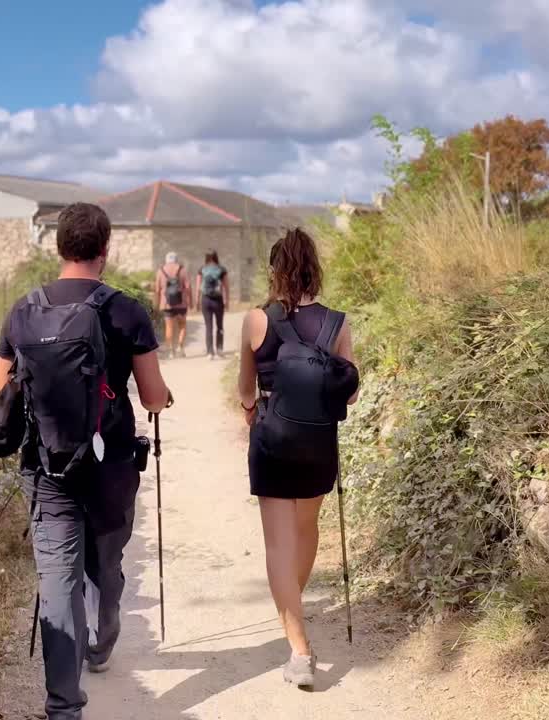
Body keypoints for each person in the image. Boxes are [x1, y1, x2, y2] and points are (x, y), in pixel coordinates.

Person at [0, 203, 170, 720]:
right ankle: (103, 636)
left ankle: (63, 707)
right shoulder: (126, 310)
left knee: (57, 579)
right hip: (111, 466)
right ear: (105, 249)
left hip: (46, 467)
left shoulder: (23, 312)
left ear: (59, 247)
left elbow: (2, 392)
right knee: (106, 565)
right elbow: (154, 396)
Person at [236, 228, 360, 689]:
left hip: (272, 437)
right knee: (307, 528)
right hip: (318, 442)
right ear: (314, 268)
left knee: (276, 547)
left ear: (275, 271)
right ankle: (292, 607)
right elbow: (350, 391)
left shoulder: (255, 320)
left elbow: (246, 388)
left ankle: (300, 650)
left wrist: (251, 410)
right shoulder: (337, 323)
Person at [194, 251, 230, 360]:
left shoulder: (202, 269)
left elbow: (198, 287)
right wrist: (227, 300)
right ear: (216, 257)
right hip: (218, 300)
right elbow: (226, 286)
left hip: (206, 300)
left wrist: (197, 301)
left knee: (208, 326)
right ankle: (219, 349)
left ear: (206, 257)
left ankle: (210, 352)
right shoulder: (222, 269)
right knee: (219, 326)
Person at [155, 251, 189, 357]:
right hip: (181, 303)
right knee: (182, 325)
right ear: (176, 259)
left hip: (166, 304)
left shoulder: (161, 271)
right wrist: (191, 302)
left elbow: (157, 289)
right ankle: (180, 347)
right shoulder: (182, 269)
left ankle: (170, 352)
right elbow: (187, 287)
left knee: (169, 327)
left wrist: (157, 304)